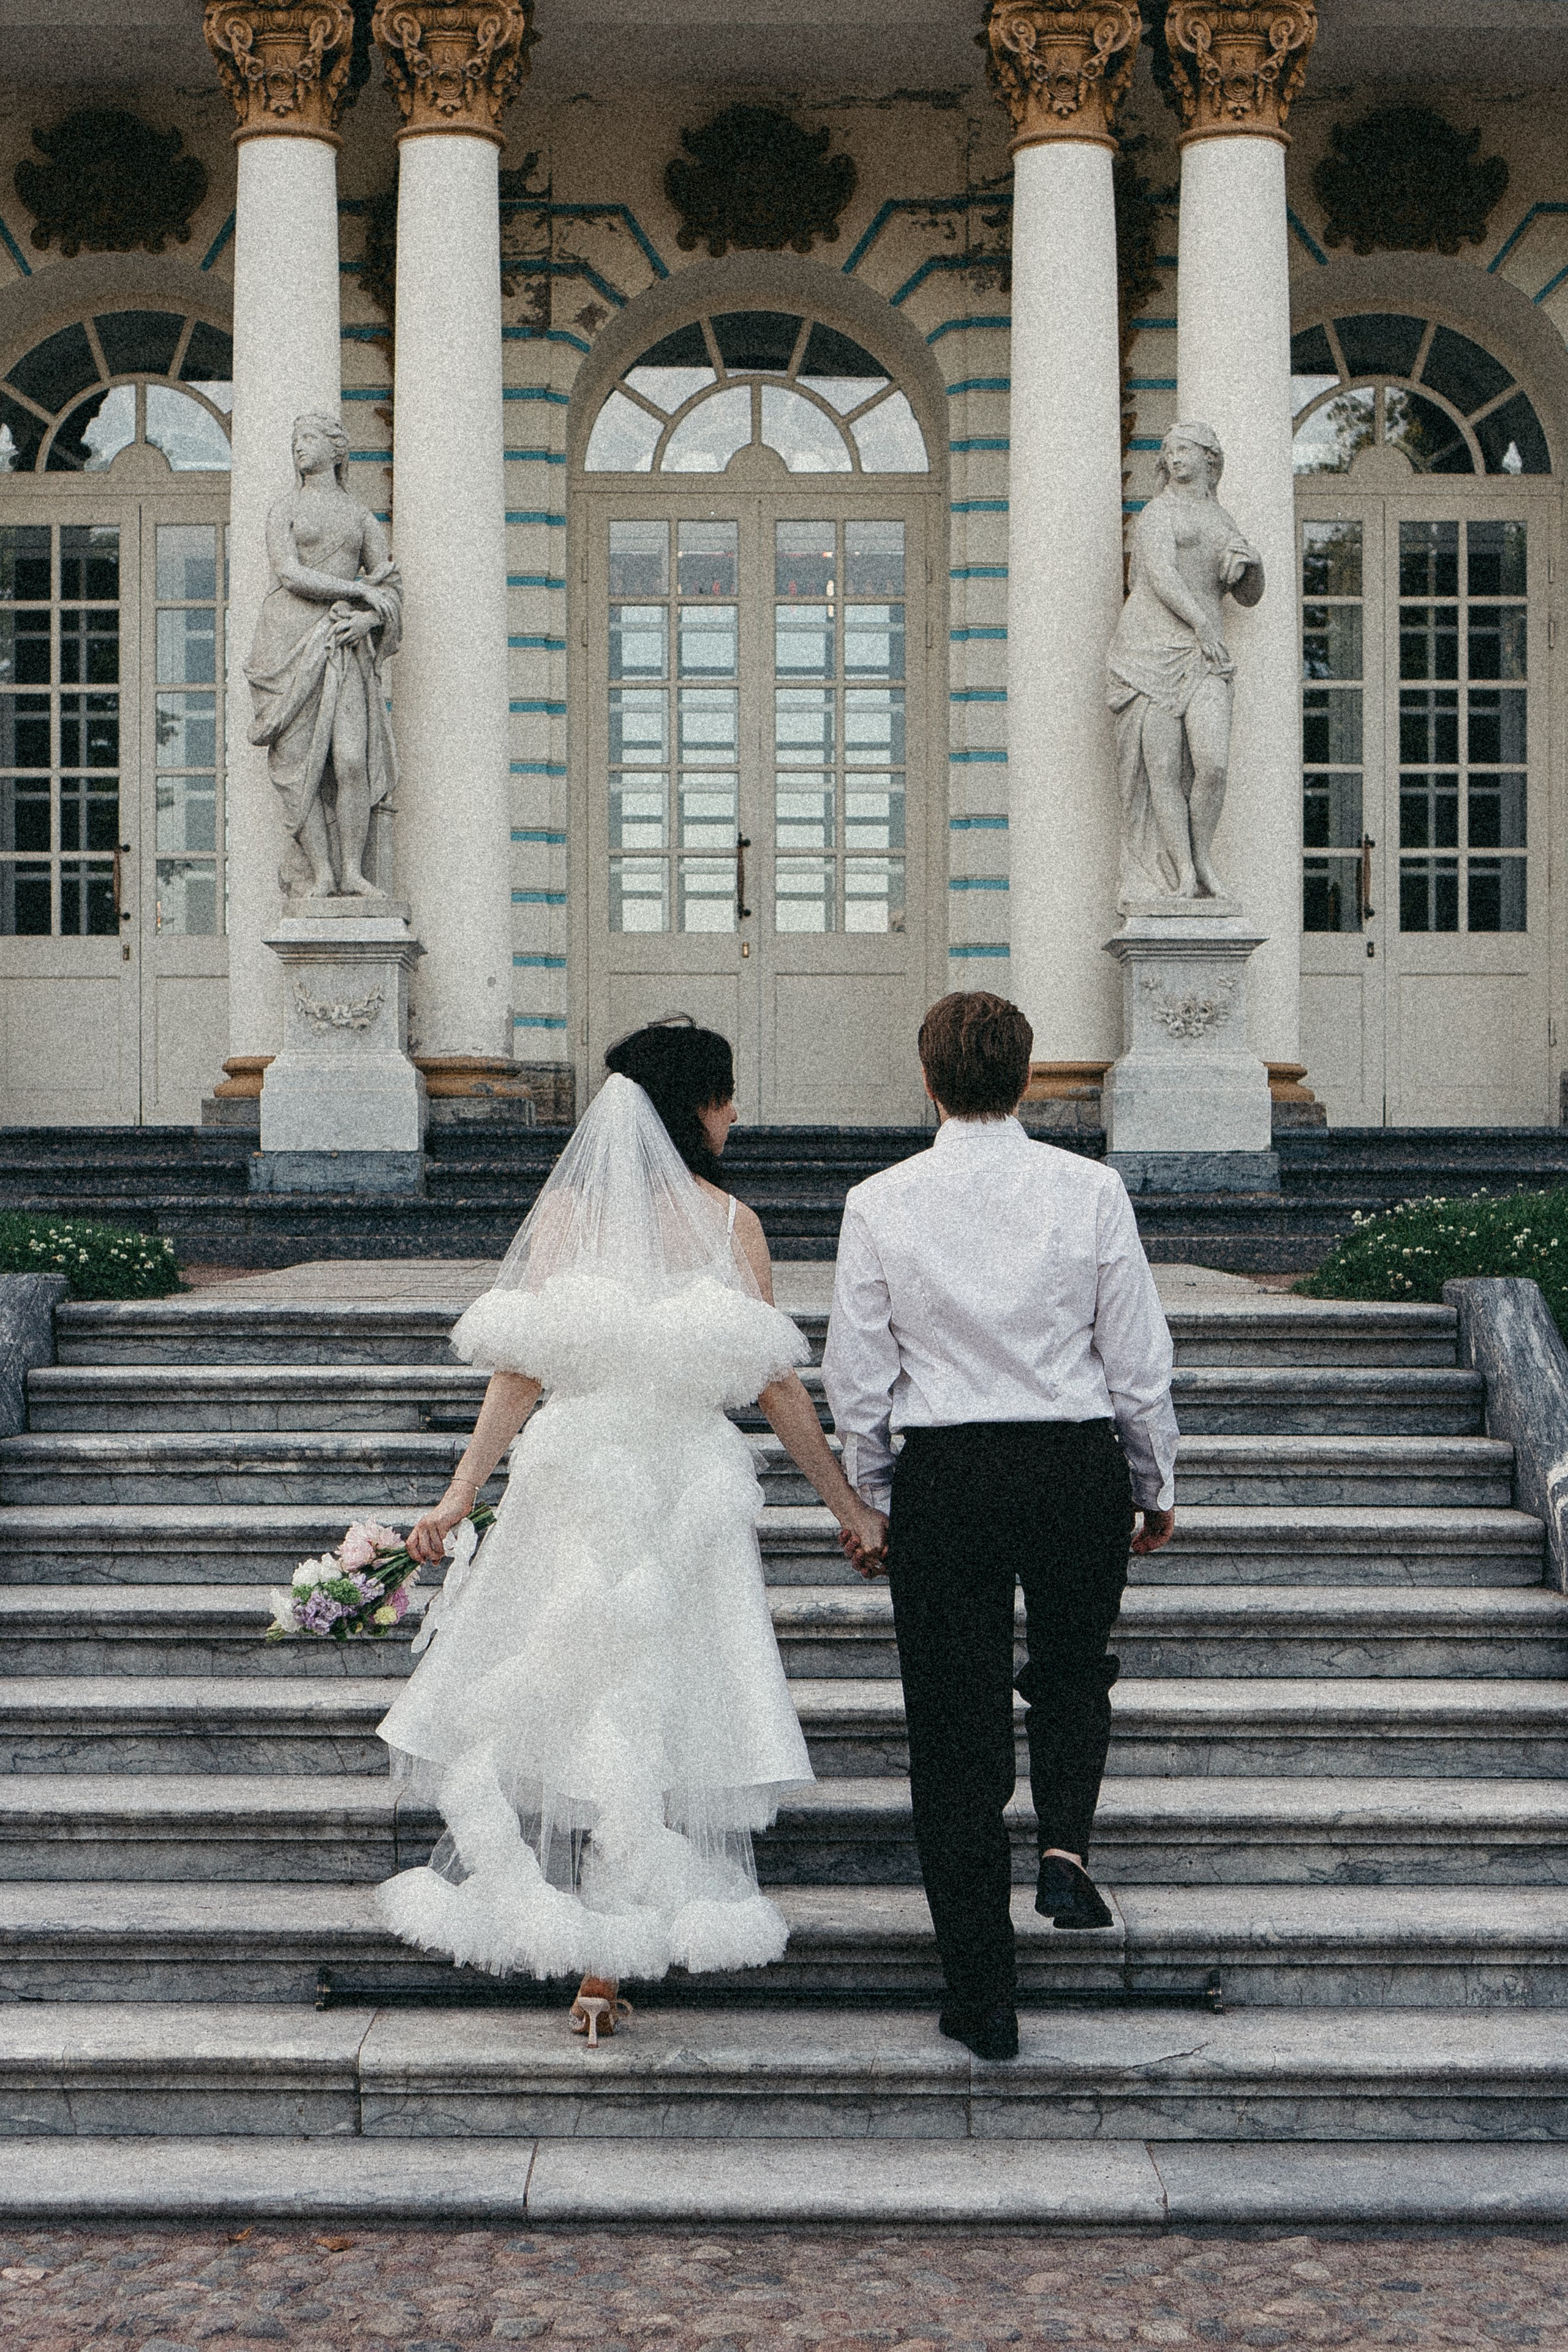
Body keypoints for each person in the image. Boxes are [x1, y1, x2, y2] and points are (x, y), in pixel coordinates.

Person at [377, 1017, 886, 2043]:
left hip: (583, 1479)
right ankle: (609, 1953)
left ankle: (599, 1953)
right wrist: (849, 1506)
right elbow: (775, 1387)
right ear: (694, 1106)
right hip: (675, 1492)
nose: (736, 1114)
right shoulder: (729, 1225)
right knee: (657, 1702)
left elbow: (520, 1375)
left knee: (583, 1695)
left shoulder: (566, 1222)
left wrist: (460, 1492)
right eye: (726, 1095)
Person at [821, 991, 1178, 2064]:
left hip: (951, 1473)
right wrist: (1153, 1476)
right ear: (1026, 1080)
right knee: (1073, 1669)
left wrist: (875, 1493)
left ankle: (985, 1995)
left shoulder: (882, 1200)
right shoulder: (1091, 1190)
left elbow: (859, 1374)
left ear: (928, 1080)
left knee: (955, 1729)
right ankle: (1066, 1848)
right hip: (1072, 1460)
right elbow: (1136, 1353)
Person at [244, 411, 401, 900]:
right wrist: (356, 590)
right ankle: (323, 874)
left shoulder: (358, 515)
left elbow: (390, 585)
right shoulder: (284, 509)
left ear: (337, 450)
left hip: (343, 643)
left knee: (351, 760)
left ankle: (353, 870)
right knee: (298, 766)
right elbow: (289, 573)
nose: (299, 447)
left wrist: (368, 619)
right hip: (286, 642)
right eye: (296, 439)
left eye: (309, 438)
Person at [1105, 420, 1263, 903]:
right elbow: (1160, 576)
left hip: (1203, 654)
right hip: (1149, 650)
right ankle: (1183, 874)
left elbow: (1249, 596)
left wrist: (1253, 565)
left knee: (1213, 763)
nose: (1175, 459)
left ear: (1209, 460)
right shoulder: (1158, 513)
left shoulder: (1222, 519)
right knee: (1163, 771)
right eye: (1169, 451)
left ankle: (1203, 857)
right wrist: (1203, 625)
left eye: (1185, 450)